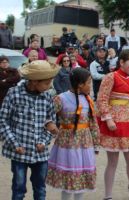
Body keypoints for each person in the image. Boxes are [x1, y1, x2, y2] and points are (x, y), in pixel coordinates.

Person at [0, 60, 60, 200]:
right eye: (46, 83)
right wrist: (15, 144)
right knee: (19, 188)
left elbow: (50, 122)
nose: (49, 86)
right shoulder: (14, 94)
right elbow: (2, 120)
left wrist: (44, 141)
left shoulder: (47, 97)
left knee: (40, 188)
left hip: (41, 153)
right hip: (19, 153)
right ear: (33, 81)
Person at [96, 50, 129, 200]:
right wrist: (108, 118)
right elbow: (102, 99)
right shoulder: (110, 77)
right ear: (121, 62)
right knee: (113, 162)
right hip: (114, 125)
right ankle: (108, 196)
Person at [46, 68, 99, 200]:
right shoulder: (61, 98)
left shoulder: (88, 100)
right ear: (80, 84)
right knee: (68, 179)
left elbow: (93, 122)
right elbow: (47, 114)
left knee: (81, 178)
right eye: (89, 83)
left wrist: (96, 143)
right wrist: (50, 124)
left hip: (85, 143)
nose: (90, 86)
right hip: (67, 144)